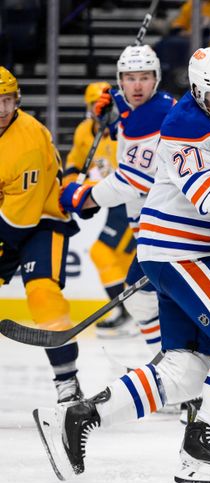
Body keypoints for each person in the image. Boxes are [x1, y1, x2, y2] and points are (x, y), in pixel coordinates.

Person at [33, 45, 210, 483]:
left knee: (187, 368)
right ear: (196, 90)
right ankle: (205, 441)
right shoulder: (182, 126)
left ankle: (77, 416)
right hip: (176, 248)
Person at [60, 45, 174, 356]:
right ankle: (172, 368)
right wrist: (115, 117)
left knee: (144, 299)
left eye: (145, 78)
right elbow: (128, 122)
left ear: (157, 78)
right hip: (156, 224)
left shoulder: (154, 116)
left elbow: (131, 180)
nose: (137, 85)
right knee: (155, 301)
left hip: (167, 228)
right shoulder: (145, 109)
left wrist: (85, 196)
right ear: (120, 80)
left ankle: (171, 370)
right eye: (129, 78)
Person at [0, 67, 83, 403]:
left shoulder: (27, 141)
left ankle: (67, 381)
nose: (1, 110)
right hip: (10, 219)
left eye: (6, 101)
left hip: (42, 222)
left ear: (16, 101)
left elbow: (20, 221)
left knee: (43, 293)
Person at [64, 82, 137, 337]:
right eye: (95, 106)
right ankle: (136, 314)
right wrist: (69, 185)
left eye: (105, 106)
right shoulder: (85, 130)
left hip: (131, 202)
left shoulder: (124, 133)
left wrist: (88, 190)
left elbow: (123, 179)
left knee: (102, 252)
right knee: (124, 261)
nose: (100, 111)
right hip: (113, 204)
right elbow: (74, 160)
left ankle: (128, 313)